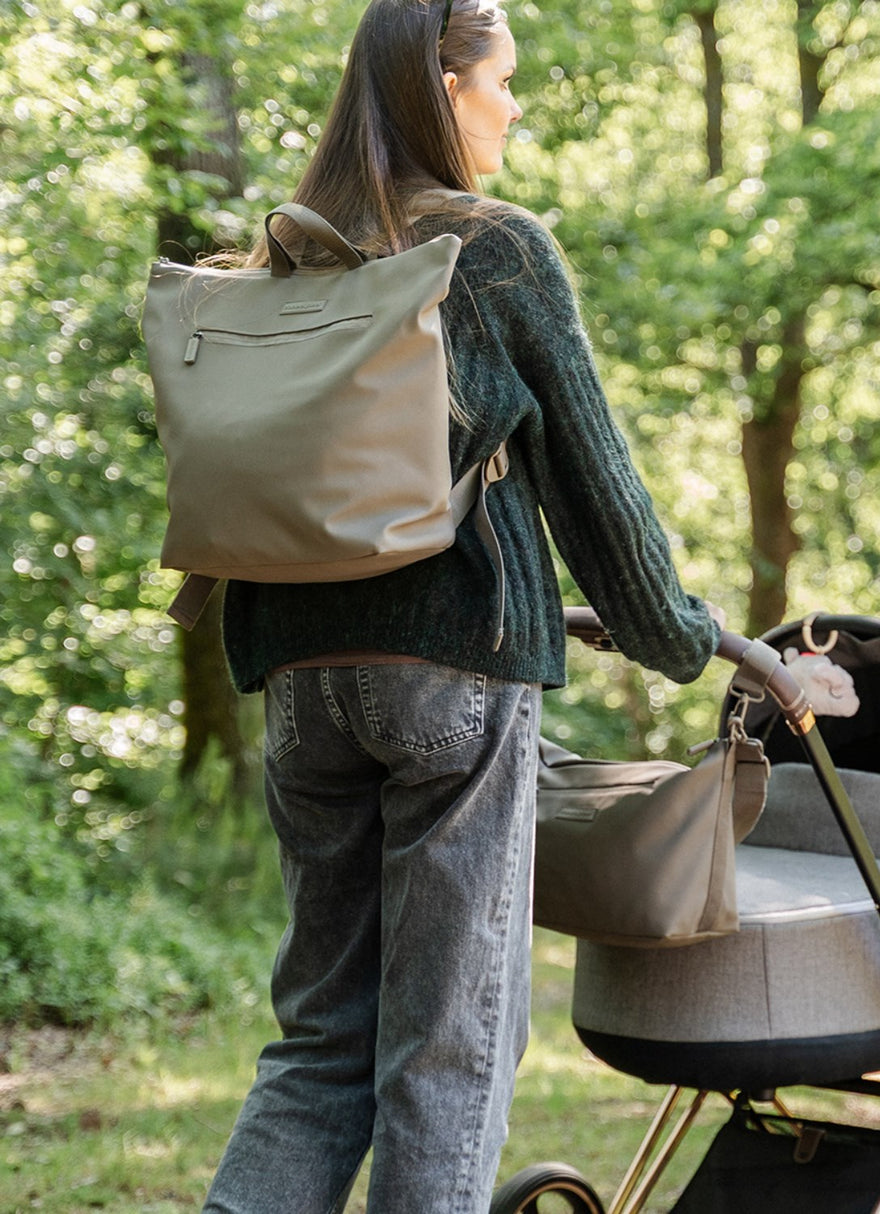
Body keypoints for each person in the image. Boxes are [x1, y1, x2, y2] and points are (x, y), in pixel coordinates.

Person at [202, 1, 722, 1211]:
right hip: (452, 673)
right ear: (443, 90)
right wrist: (685, 640)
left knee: (319, 1039)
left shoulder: (290, 253)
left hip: (297, 683)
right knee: (445, 1046)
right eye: (504, 80)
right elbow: (602, 504)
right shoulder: (493, 249)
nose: (517, 104)